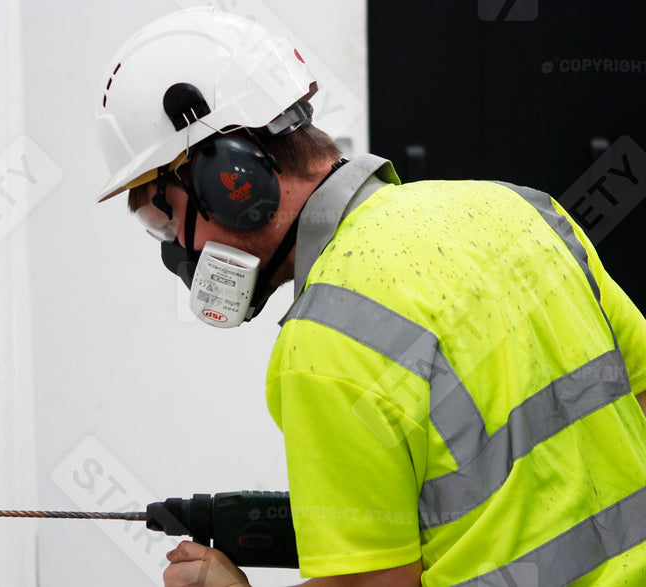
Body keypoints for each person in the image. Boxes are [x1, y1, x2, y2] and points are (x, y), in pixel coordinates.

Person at [94, 7, 646, 587]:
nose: (179, 250)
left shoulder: (325, 343)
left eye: (167, 218)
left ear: (230, 178)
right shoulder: (522, 210)